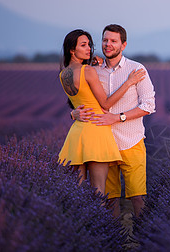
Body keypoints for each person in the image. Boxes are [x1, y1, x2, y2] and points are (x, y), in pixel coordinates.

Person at [72, 24, 156, 217]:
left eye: (113, 41)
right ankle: (114, 240)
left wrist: (117, 118)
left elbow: (149, 105)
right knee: (110, 199)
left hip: (131, 141)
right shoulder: (93, 70)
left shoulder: (136, 69)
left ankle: (143, 239)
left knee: (137, 196)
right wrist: (74, 113)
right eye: (105, 40)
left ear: (123, 45)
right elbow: (80, 99)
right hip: (104, 144)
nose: (108, 44)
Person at [59, 29, 146, 196]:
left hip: (77, 133)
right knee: (99, 193)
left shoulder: (63, 74)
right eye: (83, 45)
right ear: (72, 49)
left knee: (76, 194)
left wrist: (73, 114)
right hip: (97, 131)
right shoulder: (89, 71)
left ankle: (80, 223)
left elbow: (78, 103)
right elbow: (105, 104)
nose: (89, 49)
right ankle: (102, 223)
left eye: (89, 45)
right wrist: (129, 82)